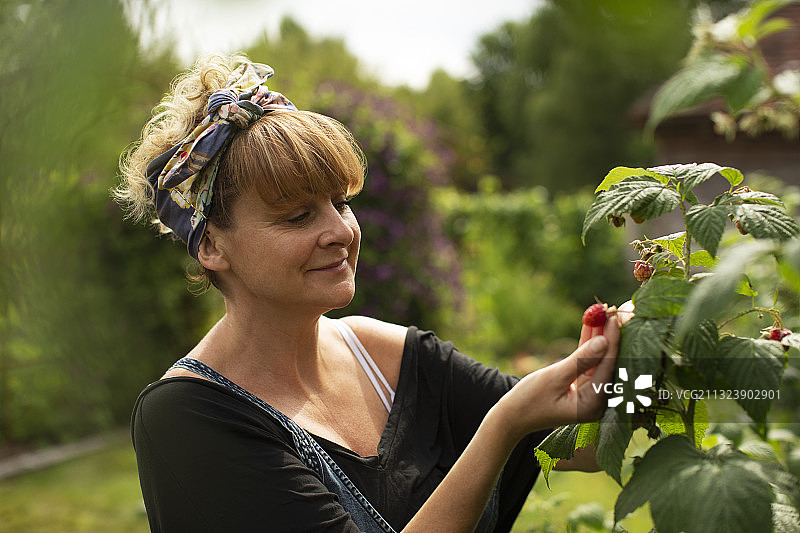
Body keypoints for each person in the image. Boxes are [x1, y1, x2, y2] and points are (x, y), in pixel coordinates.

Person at [116, 54, 622, 533]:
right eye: (296, 215)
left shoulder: (383, 356)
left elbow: (579, 442)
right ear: (210, 245)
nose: (341, 230)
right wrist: (503, 425)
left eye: (341, 202)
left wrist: (649, 343)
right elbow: (518, 422)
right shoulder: (187, 420)